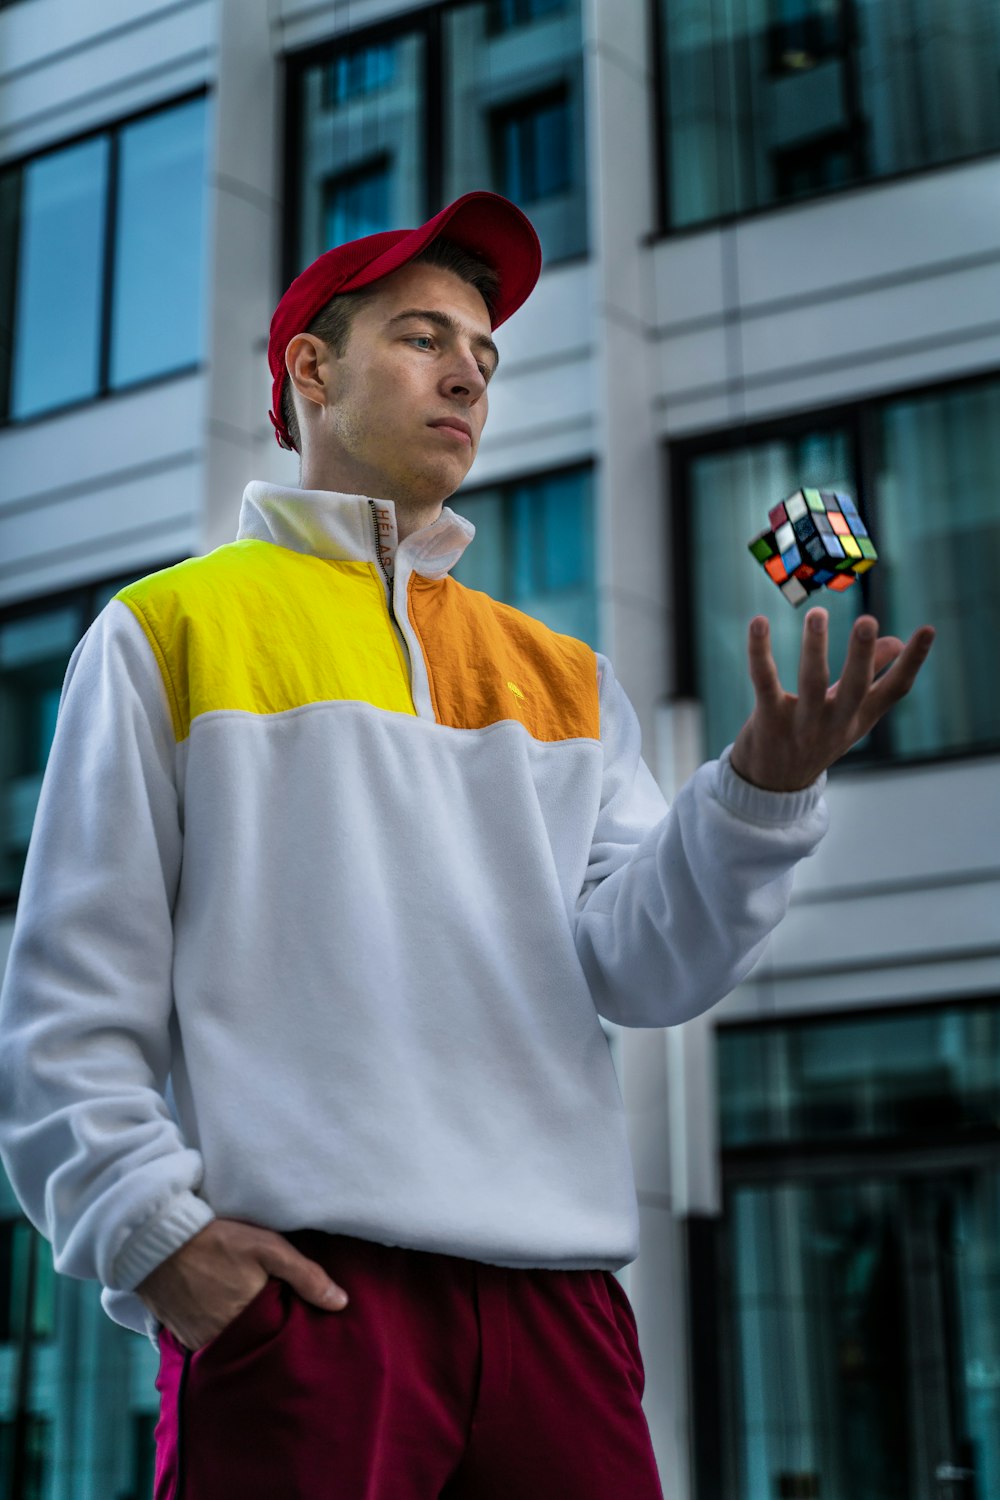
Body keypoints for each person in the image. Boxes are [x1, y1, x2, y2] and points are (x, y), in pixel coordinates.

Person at [0, 190, 934, 1499]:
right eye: (424, 337)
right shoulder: (168, 631)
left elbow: (640, 967)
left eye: (485, 357)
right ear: (309, 370)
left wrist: (760, 795)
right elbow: (67, 1002)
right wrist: (156, 1238)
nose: (466, 376)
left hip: (558, 1309)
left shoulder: (559, 672)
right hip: (308, 1305)